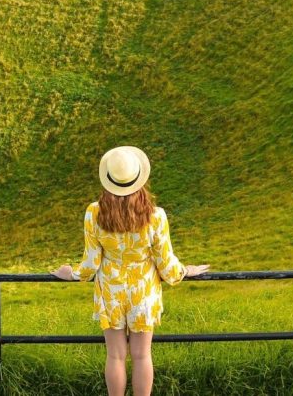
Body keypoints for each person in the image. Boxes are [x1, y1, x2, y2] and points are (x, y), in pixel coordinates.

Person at [50, 145, 210, 396]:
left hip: (111, 292)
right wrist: (184, 271)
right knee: (142, 355)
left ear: (108, 180)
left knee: (115, 356)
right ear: (139, 178)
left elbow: (91, 263)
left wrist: (70, 273)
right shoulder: (156, 216)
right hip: (143, 292)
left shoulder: (94, 213)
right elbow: (166, 264)